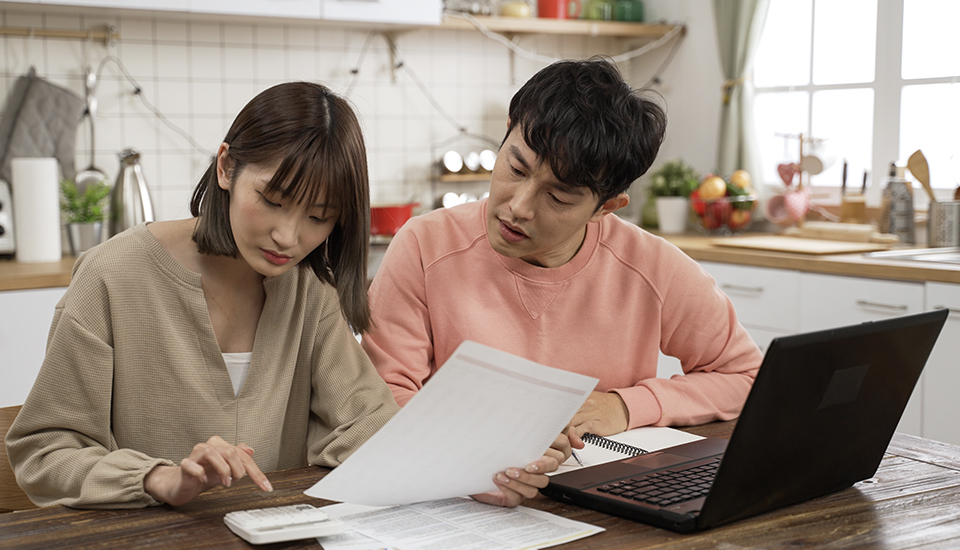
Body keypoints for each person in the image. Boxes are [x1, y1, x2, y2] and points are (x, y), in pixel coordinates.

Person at [5, 82, 561, 510]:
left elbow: (363, 425)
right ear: (226, 167)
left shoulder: (308, 290)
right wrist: (158, 477)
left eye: (319, 218)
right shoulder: (112, 277)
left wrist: (474, 472)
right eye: (271, 200)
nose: (288, 238)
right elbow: (45, 451)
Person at [362, 58, 763, 445]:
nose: (518, 206)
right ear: (506, 136)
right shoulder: (423, 246)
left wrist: (627, 406)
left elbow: (746, 376)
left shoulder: (652, 268)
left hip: (596, 488)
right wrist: (480, 458)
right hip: (454, 487)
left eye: (557, 197)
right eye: (516, 169)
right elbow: (384, 399)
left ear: (606, 207)